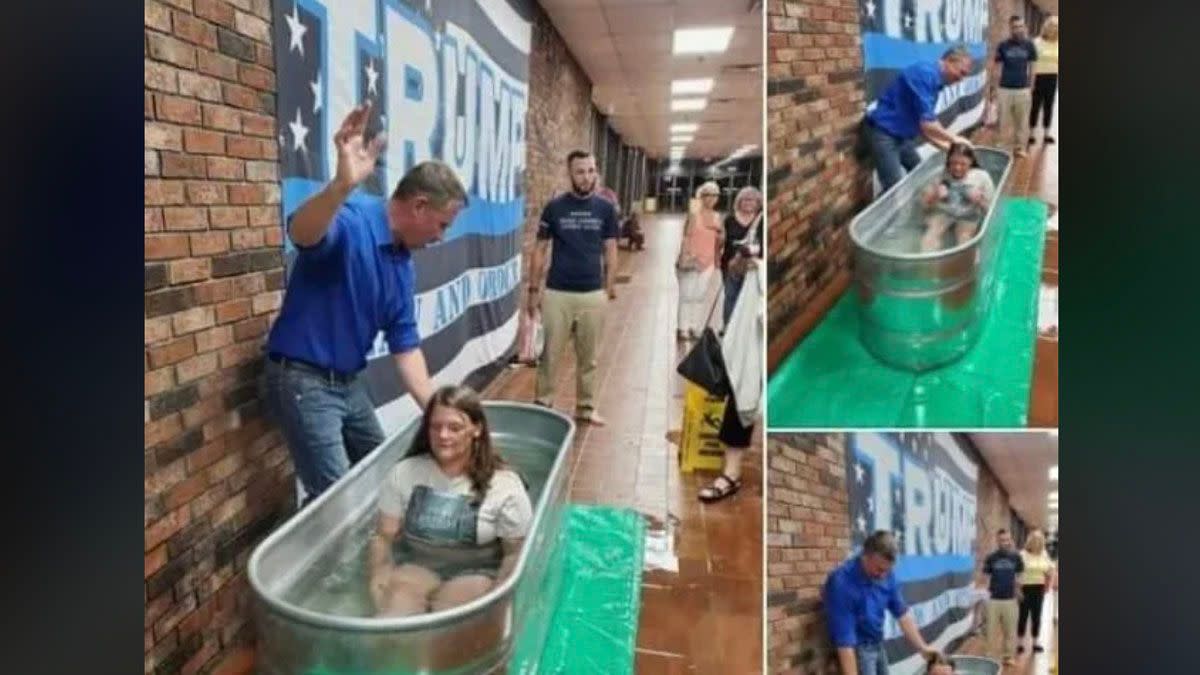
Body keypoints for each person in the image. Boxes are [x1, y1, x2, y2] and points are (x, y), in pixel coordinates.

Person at [261, 102, 467, 503]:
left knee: (383, 474)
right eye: (442, 225)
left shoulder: (402, 265)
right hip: (302, 379)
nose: (441, 237)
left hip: (348, 383)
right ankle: (321, 560)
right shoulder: (352, 221)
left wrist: (438, 411)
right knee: (335, 500)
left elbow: (406, 348)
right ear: (419, 205)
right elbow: (302, 235)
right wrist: (340, 187)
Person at [367, 385, 533, 616]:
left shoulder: (505, 485)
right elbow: (384, 536)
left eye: (455, 427)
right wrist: (379, 572)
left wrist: (499, 595)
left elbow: (515, 553)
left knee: (450, 620)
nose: (443, 435)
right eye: (436, 427)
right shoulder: (404, 473)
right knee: (393, 618)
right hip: (418, 566)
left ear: (476, 429)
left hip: (476, 572)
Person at [526, 150, 619, 426]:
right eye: (580, 171)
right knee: (549, 356)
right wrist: (534, 290)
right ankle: (543, 402)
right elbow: (540, 250)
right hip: (557, 293)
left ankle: (586, 407)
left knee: (589, 357)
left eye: (591, 170)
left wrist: (608, 287)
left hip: (592, 293)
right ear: (570, 174)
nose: (586, 176)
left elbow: (611, 249)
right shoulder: (554, 208)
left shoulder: (606, 209)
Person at [698, 209, 762, 504]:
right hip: (752, 317)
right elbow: (734, 270)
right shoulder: (760, 223)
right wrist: (744, 260)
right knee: (741, 385)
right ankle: (731, 472)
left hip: (770, 313)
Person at [824, 531, 941, 674]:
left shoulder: (886, 573)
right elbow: (845, 643)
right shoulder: (842, 583)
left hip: (878, 643)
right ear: (865, 556)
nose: (883, 575)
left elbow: (902, 614)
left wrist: (922, 648)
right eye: (879, 569)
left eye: (888, 570)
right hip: (858, 649)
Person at [863, 47, 975, 191]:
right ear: (948, 62)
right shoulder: (924, 74)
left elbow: (924, 127)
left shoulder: (936, 83)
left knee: (919, 171)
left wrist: (949, 149)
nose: (961, 79)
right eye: (961, 72)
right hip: (883, 133)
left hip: (902, 137)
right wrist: (955, 139)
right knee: (894, 188)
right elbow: (928, 124)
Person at [918, 143, 995, 252]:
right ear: (948, 161)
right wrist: (935, 195)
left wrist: (979, 200)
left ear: (971, 162)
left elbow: (992, 210)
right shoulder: (940, 175)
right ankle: (927, 265)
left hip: (968, 215)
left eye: (963, 164)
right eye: (953, 163)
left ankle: (966, 265)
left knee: (964, 239)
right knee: (930, 236)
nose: (957, 168)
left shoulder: (981, 177)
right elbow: (924, 205)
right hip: (944, 213)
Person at [675, 182, 724, 341]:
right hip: (692, 260)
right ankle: (683, 327)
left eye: (714, 195)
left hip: (708, 261)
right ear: (701, 197)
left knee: (700, 295)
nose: (711, 198)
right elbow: (686, 237)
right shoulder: (694, 214)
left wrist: (717, 259)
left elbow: (720, 241)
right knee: (687, 295)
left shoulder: (718, 217)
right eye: (707, 195)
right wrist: (685, 257)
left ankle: (696, 327)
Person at [990, 15, 1038, 158]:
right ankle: (1002, 147)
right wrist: (994, 88)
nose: (1018, 29)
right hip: (1004, 88)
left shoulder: (1030, 45)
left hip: (1023, 89)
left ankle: (1020, 147)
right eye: (1015, 27)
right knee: (1003, 120)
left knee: (1022, 121)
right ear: (1010, 28)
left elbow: (1033, 67)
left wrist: (1031, 86)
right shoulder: (1003, 46)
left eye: (1020, 26)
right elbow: (997, 68)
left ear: (1024, 27)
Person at [719, 186, 763, 327]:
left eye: (752, 200)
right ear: (739, 201)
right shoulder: (729, 219)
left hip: (751, 266)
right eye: (745, 200)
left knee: (746, 300)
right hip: (730, 264)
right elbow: (722, 241)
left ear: (758, 203)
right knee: (730, 297)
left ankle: (740, 330)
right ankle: (728, 327)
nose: (748, 203)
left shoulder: (760, 220)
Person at [981, 529, 1025, 666]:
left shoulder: (1016, 557)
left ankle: (1008, 656)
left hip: (1010, 599)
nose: (1004, 542)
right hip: (993, 599)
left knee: (1010, 630)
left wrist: (1018, 590)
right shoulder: (991, 558)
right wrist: (985, 595)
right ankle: (988, 656)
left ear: (1010, 540)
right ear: (997, 540)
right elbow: (986, 577)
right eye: (1001, 540)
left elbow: (1019, 575)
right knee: (989, 631)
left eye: (1006, 540)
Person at [1017, 529, 1056, 654]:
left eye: (1040, 540)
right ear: (1030, 541)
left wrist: (1048, 585)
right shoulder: (1022, 554)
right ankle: (1020, 643)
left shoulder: (1044, 554)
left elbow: (1050, 570)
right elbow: (1016, 573)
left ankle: (1035, 643)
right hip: (1025, 588)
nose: (1037, 542)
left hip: (1039, 588)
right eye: (1035, 540)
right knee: (1023, 616)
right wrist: (1018, 590)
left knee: (1036, 616)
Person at [1029, 16, 1059, 146]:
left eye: (1057, 27)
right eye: (1052, 26)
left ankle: (1046, 134)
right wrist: (1031, 80)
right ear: (1046, 27)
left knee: (1049, 106)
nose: (1054, 29)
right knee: (1035, 106)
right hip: (1038, 76)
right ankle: (1031, 134)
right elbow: (1032, 63)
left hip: (1052, 77)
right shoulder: (1036, 42)